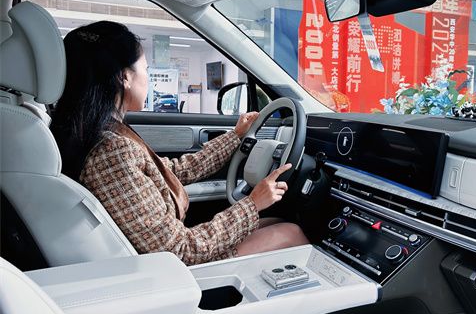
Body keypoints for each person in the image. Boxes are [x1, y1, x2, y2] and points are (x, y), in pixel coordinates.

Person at [51, 21, 308, 266]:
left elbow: (171, 171)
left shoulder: (97, 134)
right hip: (176, 270)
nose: (149, 79)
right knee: (290, 233)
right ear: (124, 77)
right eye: (146, 70)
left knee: (274, 222)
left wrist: (235, 136)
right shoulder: (111, 153)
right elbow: (180, 251)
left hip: (164, 257)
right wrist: (252, 204)